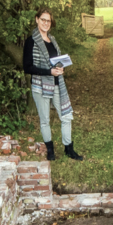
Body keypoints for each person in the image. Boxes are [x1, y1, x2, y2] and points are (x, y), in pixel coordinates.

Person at [23, 9, 84, 161]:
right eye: (43, 20)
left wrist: (60, 67)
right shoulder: (31, 41)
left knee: (66, 115)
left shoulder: (53, 40)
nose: (45, 23)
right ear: (37, 19)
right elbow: (27, 67)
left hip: (58, 84)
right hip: (40, 86)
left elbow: (56, 61)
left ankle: (68, 148)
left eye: (48, 21)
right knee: (45, 120)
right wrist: (49, 72)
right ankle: (50, 150)